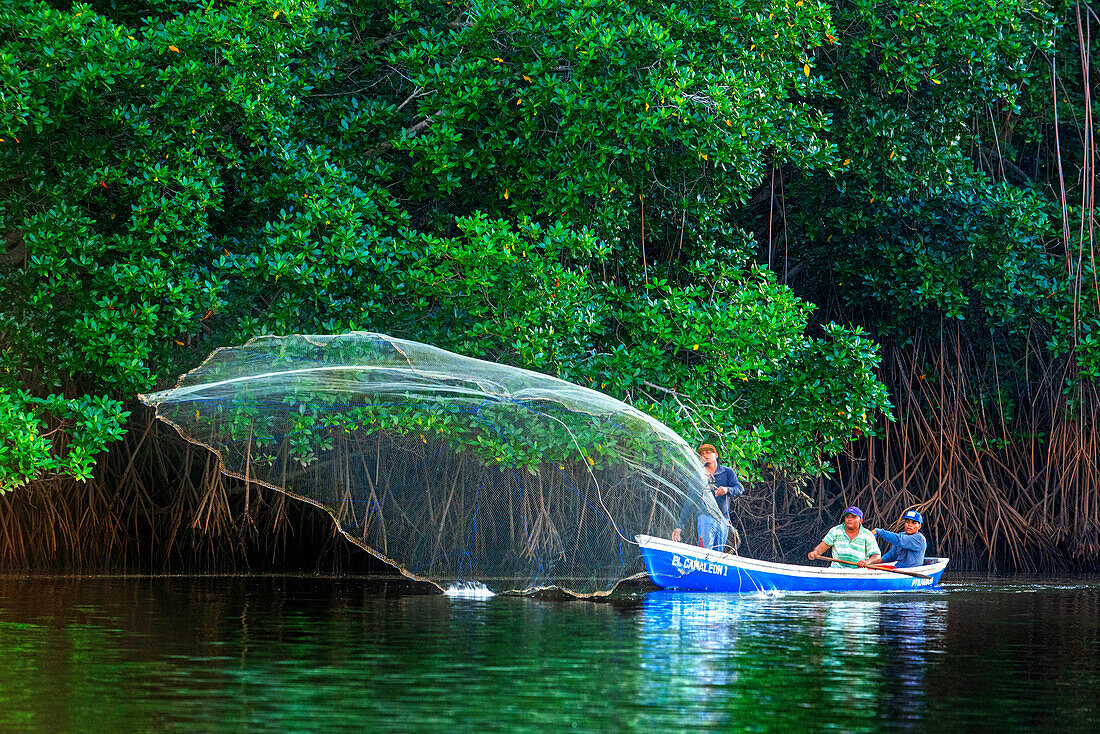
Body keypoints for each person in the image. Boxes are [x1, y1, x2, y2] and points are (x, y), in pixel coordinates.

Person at [671, 444, 744, 550]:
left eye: (709, 452)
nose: (705, 455)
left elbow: (739, 489)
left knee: (717, 554)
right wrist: (679, 527)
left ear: (716, 455)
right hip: (706, 518)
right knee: (705, 550)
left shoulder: (727, 472)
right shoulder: (698, 476)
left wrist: (727, 489)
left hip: (724, 521)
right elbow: (689, 502)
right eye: (702, 454)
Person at [807, 506, 882, 568]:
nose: (849, 519)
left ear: (860, 521)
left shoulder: (867, 534)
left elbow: (877, 556)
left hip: (859, 573)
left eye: (853, 517)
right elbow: (822, 546)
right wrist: (815, 552)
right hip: (836, 571)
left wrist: (866, 562)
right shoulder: (835, 531)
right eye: (847, 516)